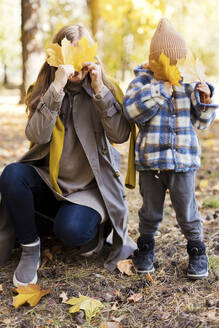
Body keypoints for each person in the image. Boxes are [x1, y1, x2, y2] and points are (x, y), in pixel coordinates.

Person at [0, 24, 136, 287]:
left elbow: (120, 136)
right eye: (68, 57)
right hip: (50, 181)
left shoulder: (105, 89)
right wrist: (57, 88)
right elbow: (37, 135)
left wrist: (99, 92)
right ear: (56, 58)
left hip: (87, 187)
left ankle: (86, 227)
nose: (76, 67)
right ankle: (30, 247)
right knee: (12, 174)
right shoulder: (44, 89)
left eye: (81, 56)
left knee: (73, 232)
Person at [123, 18, 218, 279]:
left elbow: (201, 122)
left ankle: (197, 250)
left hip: (183, 162)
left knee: (187, 211)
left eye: (177, 61)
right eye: (166, 62)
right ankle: (146, 247)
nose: (173, 67)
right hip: (151, 162)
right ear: (154, 61)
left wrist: (205, 100)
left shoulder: (187, 82)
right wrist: (160, 89)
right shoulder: (142, 82)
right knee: (149, 212)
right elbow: (132, 112)